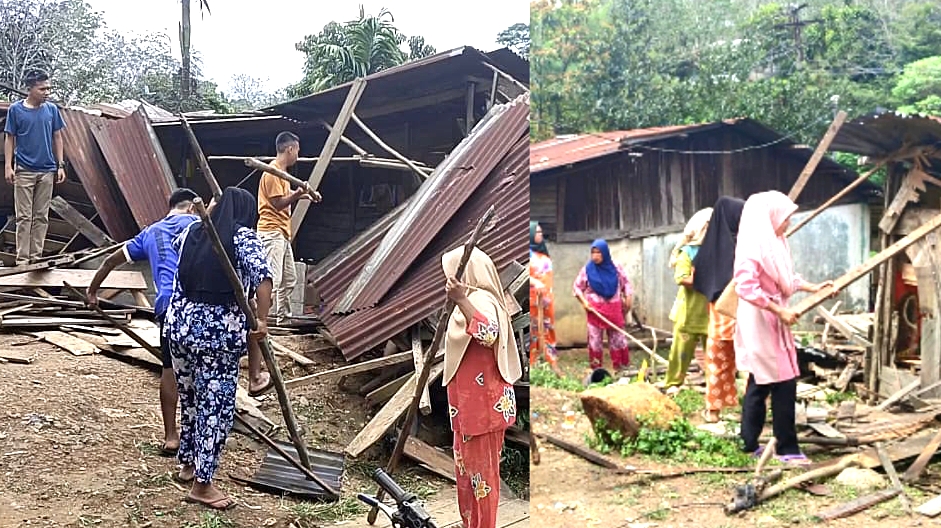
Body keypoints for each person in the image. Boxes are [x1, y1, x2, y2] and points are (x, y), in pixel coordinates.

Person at [164, 187, 274, 509]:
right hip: (217, 333)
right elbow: (264, 278)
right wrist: (261, 321)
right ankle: (203, 483)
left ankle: (187, 464)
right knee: (215, 406)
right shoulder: (241, 237)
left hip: (179, 326)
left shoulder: (190, 232)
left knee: (192, 399)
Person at [734, 191, 834, 465]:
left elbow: (785, 279)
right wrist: (778, 310)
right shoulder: (753, 245)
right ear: (770, 217)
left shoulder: (775, 242)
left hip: (772, 318)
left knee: (762, 378)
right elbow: (745, 286)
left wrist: (813, 286)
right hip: (761, 320)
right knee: (782, 381)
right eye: (785, 218)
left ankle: (748, 440)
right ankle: (786, 447)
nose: (788, 223)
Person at [442, 245, 521, 528]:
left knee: (483, 480)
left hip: (484, 409)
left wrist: (462, 299)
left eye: (452, 274)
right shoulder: (469, 301)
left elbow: (488, 333)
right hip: (466, 411)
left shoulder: (484, 301)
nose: (448, 280)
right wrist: (461, 300)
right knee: (467, 476)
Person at [256, 131, 321, 325]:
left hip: (281, 232)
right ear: (290, 149)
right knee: (273, 281)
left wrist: (303, 195)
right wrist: (298, 194)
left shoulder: (282, 174)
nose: (298, 155)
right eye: (297, 151)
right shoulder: (273, 171)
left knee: (290, 279)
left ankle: (283, 318)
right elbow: (277, 203)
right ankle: (262, 321)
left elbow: (286, 195)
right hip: (271, 231)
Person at [3, 71, 66, 266]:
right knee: (24, 217)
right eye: (42, 89)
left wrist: (60, 165)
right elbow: (10, 137)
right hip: (24, 170)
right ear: (30, 89)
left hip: (47, 170)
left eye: (48, 88)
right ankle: (23, 260)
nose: (47, 92)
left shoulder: (52, 110)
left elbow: (58, 137)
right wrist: (8, 165)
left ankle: (36, 257)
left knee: (41, 216)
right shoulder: (16, 110)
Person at [692, 197, 746, 422]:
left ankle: (713, 410)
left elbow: (699, 280)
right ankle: (754, 410)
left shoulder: (709, 249)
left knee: (717, 364)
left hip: (719, 317)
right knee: (751, 364)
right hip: (746, 317)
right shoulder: (744, 246)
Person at [662, 208, 713, 396]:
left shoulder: (719, 251)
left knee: (714, 355)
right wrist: (704, 279)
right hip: (689, 313)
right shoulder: (688, 251)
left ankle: (714, 389)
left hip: (711, 313)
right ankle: (673, 384)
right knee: (680, 354)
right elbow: (683, 278)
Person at [573, 240, 633, 372]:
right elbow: (577, 288)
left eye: (598, 252)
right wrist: (584, 302)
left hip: (614, 310)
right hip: (595, 311)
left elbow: (626, 283)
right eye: (593, 252)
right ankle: (596, 370)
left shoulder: (616, 268)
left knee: (618, 339)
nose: (595, 256)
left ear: (605, 253)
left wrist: (628, 297)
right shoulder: (587, 270)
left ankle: (621, 367)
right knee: (595, 341)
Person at [529, 221, 562, 376]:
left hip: (547, 299)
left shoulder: (544, 255)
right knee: (533, 331)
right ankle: (533, 363)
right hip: (532, 300)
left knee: (549, 329)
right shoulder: (527, 256)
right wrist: (535, 282)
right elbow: (524, 276)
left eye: (541, 232)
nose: (540, 235)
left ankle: (551, 361)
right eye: (537, 232)